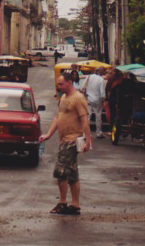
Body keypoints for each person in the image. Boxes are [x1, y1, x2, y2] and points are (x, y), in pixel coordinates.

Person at [40, 73, 93, 215]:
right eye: (58, 84)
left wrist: (88, 140)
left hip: (72, 141)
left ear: (69, 83)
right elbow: (57, 117)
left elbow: (84, 120)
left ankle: (62, 203)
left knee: (61, 172)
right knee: (72, 173)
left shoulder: (78, 98)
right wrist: (48, 135)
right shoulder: (63, 98)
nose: (59, 86)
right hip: (64, 140)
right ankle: (75, 205)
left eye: (61, 84)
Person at [83, 68, 107, 138]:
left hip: (88, 99)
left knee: (88, 116)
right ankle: (99, 133)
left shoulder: (89, 76)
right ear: (101, 72)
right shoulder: (101, 79)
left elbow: (83, 87)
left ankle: (85, 134)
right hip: (97, 100)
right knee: (98, 116)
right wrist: (104, 100)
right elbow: (102, 93)